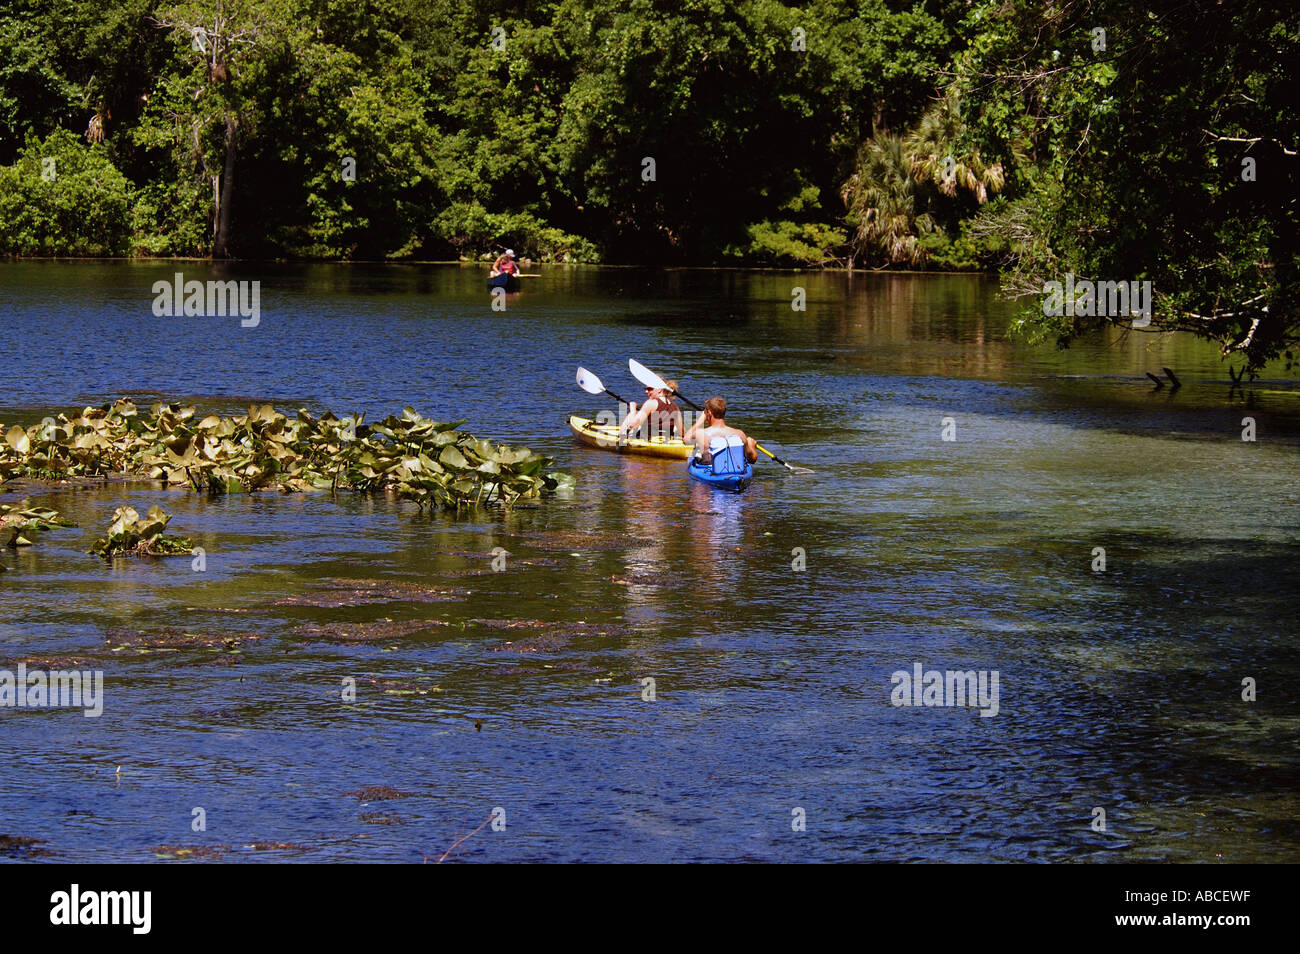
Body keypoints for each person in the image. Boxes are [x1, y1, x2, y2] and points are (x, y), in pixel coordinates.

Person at [685, 396, 757, 473]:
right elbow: (752, 459)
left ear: (709, 413)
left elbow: (686, 439)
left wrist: (702, 418)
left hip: (708, 476)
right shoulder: (740, 434)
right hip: (736, 473)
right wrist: (751, 446)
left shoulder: (701, 434)